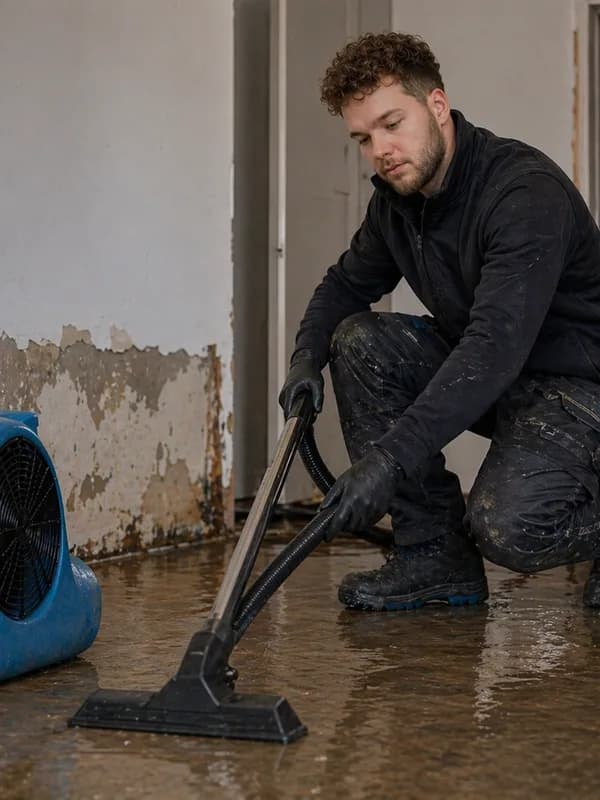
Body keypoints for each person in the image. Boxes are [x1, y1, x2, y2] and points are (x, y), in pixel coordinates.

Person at [278, 31, 600, 611]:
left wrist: (388, 459)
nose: (380, 149)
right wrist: (306, 357)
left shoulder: (522, 193)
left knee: (509, 527)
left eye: (392, 123)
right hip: (507, 381)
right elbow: (346, 286)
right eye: (363, 137)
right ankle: (434, 555)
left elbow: (492, 349)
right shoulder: (399, 204)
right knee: (356, 340)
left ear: (437, 106)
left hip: (578, 388)